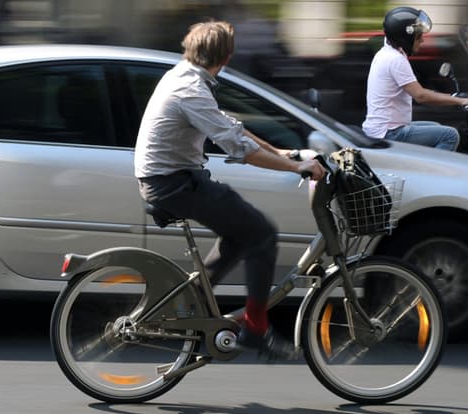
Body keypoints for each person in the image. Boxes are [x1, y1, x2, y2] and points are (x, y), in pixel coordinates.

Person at [134, 20, 325, 360]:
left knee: (240, 235)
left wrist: (286, 154)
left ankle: (190, 304)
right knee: (262, 233)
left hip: (173, 179)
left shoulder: (186, 77)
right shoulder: (190, 89)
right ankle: (256, 330)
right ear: (227, 57)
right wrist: (298, 168)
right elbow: (241, 149)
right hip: (174, 184)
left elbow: (230, 127)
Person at [362, 7, 468, 150]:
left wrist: (455, 98)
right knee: (449, 135)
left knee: (436, 127)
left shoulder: (387, 52)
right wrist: (460, 101)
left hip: (383, 128)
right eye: (419, 36)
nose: (423, 40)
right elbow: (421, 96)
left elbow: (418, 91)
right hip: (388, 133)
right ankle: (429, 172)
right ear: (405, 37)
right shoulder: (395, 59)